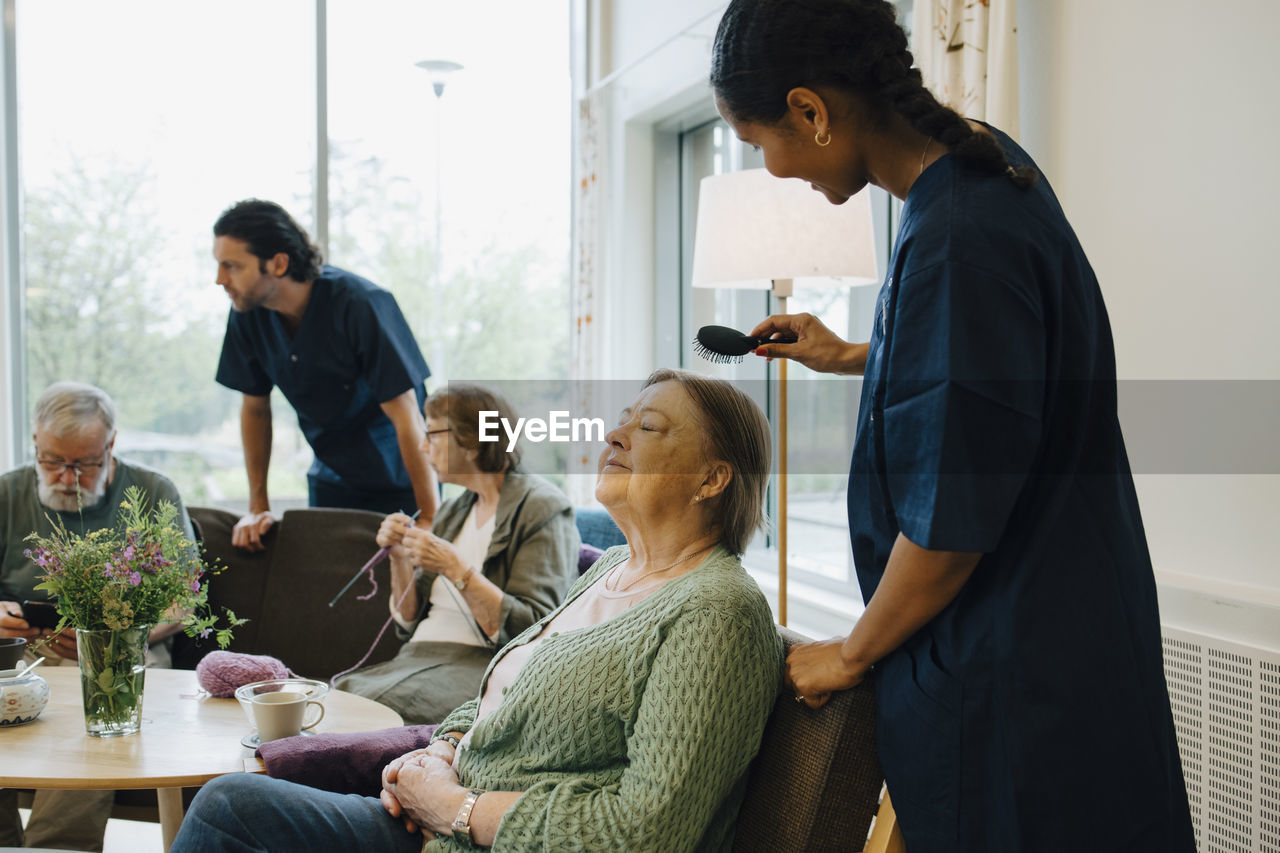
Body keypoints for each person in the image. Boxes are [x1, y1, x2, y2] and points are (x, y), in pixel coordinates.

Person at [709, 2, 1194, 851]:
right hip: (1069, 638)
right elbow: (993, 373)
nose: (770, 167)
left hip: (1012, 682)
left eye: (758, 144)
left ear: (811, 111)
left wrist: (850, 654)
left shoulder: (957, 238)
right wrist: (859, 353)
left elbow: (946, 533)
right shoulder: (984, 167)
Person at [170, 369, 783, 852]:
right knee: (238, 800)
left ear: (711, 479)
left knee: (231, 809)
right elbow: (505, 684)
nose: (613, 437)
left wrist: (456, 808)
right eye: (621, 422)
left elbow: (646, 833)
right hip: (448, 818)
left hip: (478, 838)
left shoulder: (715, 610)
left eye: (648, 427)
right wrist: (440, 750)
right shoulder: (611, 569)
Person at [0, 381, 195, 852]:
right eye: (52, 460)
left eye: (83, 463)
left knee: (103, 693)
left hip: (124, 649)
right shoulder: (8, 493)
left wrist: (121, 630)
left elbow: (184, 599)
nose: (67, 476)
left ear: (110, 445)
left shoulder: (152, 491)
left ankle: (56, 848)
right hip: (22, 649)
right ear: (35, 444)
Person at [336, 384, 579, 724]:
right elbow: (408, 623)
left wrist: (458, 569)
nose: (423, 447)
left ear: (472, 439)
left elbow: (536, 628)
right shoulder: (453, 511)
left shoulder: (542, 508)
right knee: (332, 702)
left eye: (431, 434)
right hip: (414, 659)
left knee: (364, 716)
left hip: (478, 666)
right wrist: (399, 558)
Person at [213, 199, 439, 551]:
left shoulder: (360, 303)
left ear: (278, 263)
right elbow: (255, 408)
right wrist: (258, 507)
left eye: (232, 266)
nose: (220, 279)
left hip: (401, 476)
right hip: (332, 475)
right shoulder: (247, 314)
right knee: (326, 588)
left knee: (404, 594)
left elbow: (407, 414)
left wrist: (429, 517)